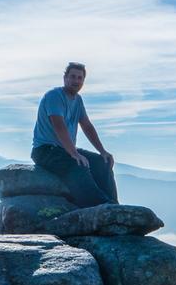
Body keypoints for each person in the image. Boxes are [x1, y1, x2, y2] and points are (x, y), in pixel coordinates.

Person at [31, 62, 118, 208]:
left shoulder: (78, 101)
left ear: (83, 81)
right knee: (77, 165)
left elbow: (87, 126)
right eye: (72, 77)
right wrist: (74, 154)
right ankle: (99, 205)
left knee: (102, 162)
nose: (76, 81)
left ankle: (114, 205)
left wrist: (102, 151)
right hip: (45, 151)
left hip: (64, 149)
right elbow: (59, 126)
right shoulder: (54, 96)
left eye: (79, 78)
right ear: (65, 78)